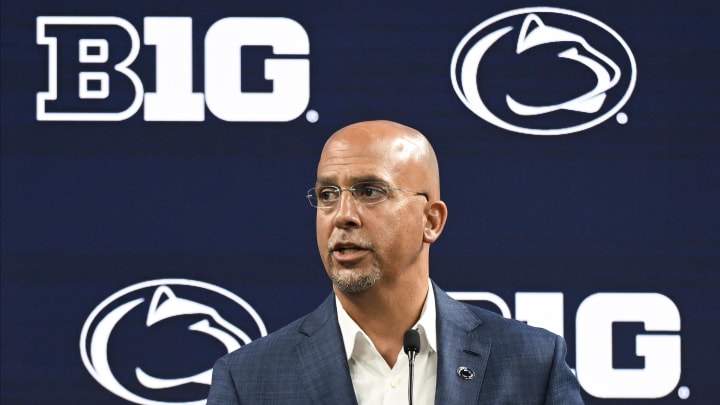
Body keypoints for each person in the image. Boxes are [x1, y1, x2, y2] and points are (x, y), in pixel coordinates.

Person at [207, 120, 584, 404]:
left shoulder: (533, 365)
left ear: (431, 220)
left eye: (369, 191)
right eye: (327, 194)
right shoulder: (248, 380)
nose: (343, 215)